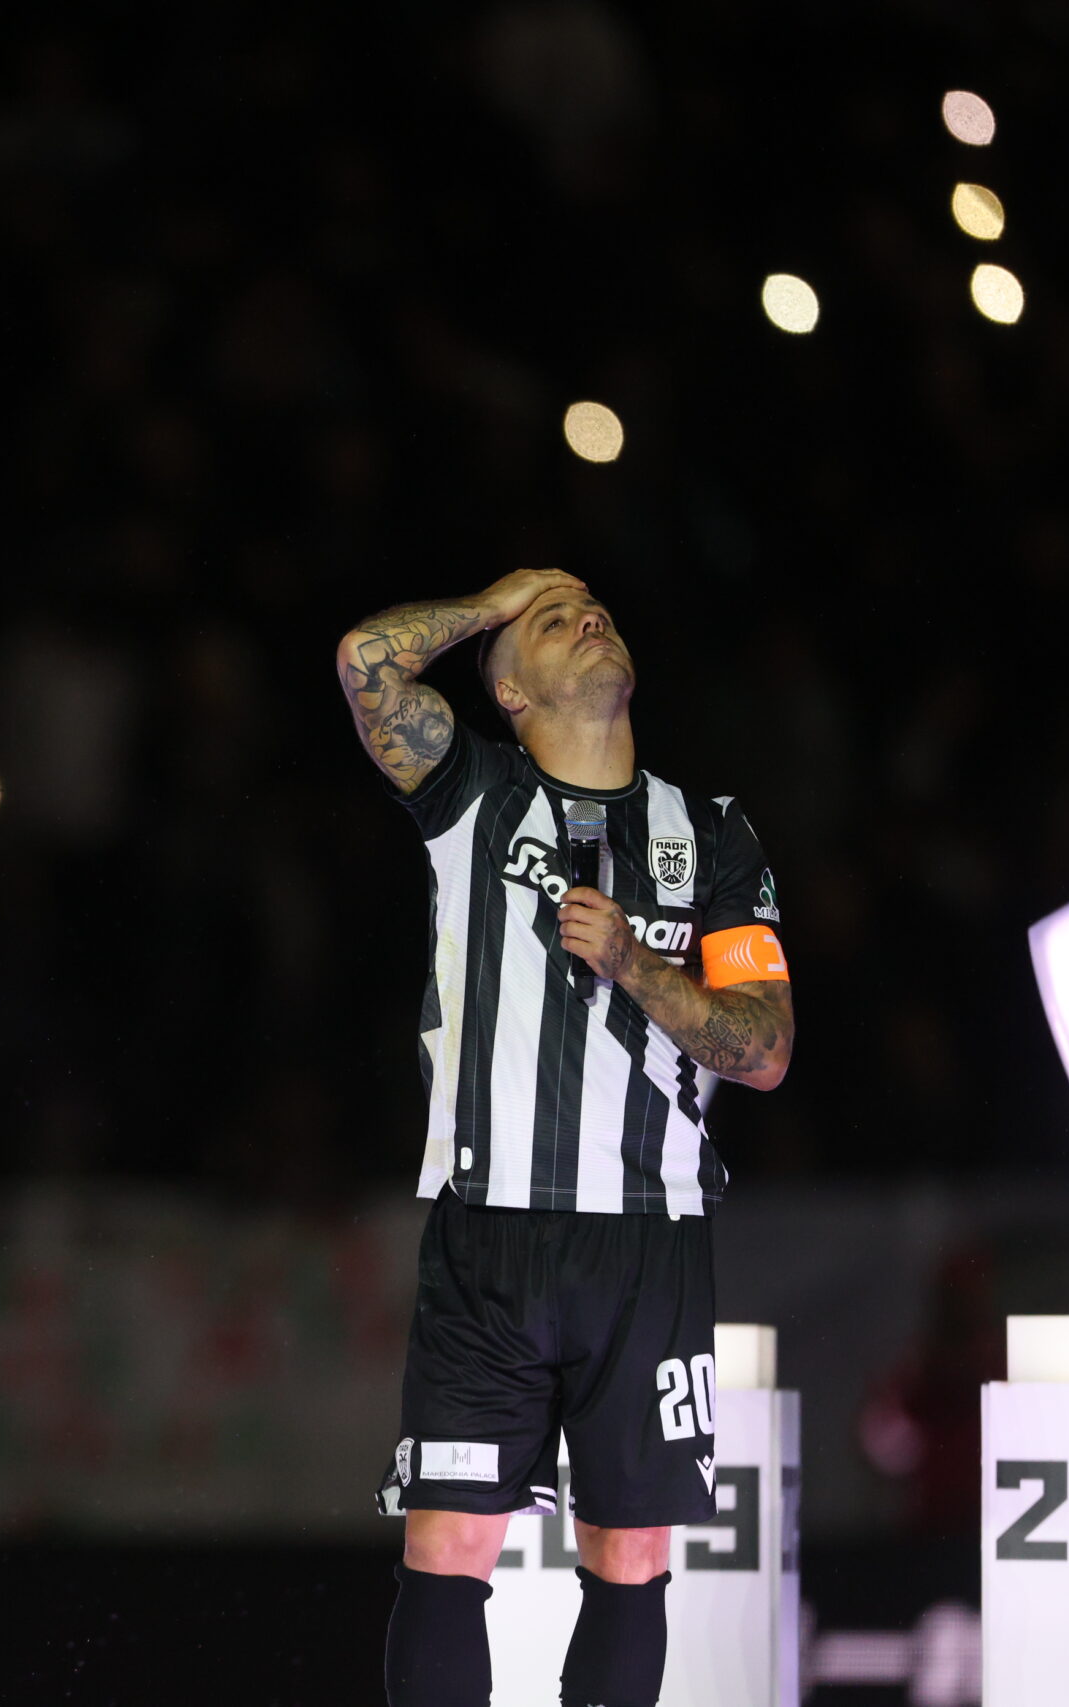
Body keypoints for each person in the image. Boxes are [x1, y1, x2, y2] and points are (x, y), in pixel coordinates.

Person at [335, 568, 795, 1707]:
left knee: (630, 1554)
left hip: (647, 1236)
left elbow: (765, 1049)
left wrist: (635, 962)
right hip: (489, 1228)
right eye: (554, 622)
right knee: (448, 1542)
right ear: (510, 692)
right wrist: (495, 603)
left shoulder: (713, 834)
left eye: (596, 611)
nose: (589, 616)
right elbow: (364, 661)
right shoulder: (474, 792)